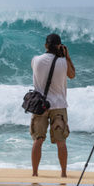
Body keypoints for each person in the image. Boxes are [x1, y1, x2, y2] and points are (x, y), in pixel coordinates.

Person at [30, 33, 75, 177]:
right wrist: (67, 56)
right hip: (58, 106)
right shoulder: (63, 62)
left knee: (38, 140)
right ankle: (63, 173)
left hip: (40, 106)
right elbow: (72, 75)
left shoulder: (35, 60)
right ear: (59, 46)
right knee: (61, 142)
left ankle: (35, 173)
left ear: (45, 45)